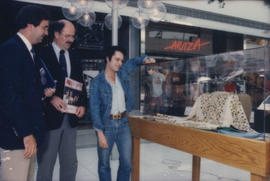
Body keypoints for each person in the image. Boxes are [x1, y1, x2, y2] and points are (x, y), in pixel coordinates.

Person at [0, 5, 53, 181]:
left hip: (27, 137)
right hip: (17, 139)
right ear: (30, 25)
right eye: (44, 27)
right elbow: (10, 96)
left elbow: (26, 90)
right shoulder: (11, 50)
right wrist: (26, 133)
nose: (46, 33)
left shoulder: (28, 52)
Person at [89, 46, 155, 181]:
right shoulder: (97, 82)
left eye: (121, 60)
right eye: (116, 59)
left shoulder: (122, 73)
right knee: (104, 164)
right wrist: (99, 133)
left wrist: (145, 59)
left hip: (124, 123)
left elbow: (133, 62)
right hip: (107, 125)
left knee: (126, 163)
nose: (120, 63)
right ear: (108, 59)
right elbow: (94, 108)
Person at [36, 19, 87, 181]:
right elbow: (33, 85)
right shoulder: (41, 54)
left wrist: (83, 105)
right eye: (67, 36)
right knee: (46, 164)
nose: (71, 40)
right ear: (56, 34)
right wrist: (49, 99)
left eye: (73, 36)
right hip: (49, 119)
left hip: (71, 118)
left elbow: (81, 84)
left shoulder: (75, 55)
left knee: (70, 163)